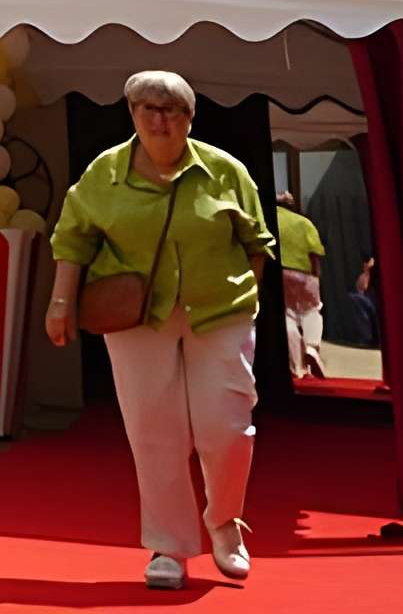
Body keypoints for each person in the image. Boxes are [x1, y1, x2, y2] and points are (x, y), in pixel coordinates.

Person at [45, 70, 273, 592]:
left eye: (172, 109)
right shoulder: (105, 173)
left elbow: (257, 240)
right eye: (147, 107)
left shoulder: (225, 170)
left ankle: (224, 522)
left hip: (219, 311)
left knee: (228, 430)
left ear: (191, 118)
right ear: (130, 113)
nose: (159, 118)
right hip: (135, 318)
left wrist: (246, 298)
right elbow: (72, 239)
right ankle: (168, 546)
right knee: (154, 432)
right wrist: (60, 302)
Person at [273, 190, 327, 374]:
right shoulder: (304, 223)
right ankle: (311, 347)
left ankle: (296, 366)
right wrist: (316, 276)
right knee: (312, 310)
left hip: (279, 273)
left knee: (288, 316)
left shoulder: (269, 221)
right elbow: (314, 253)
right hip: (303, 273)